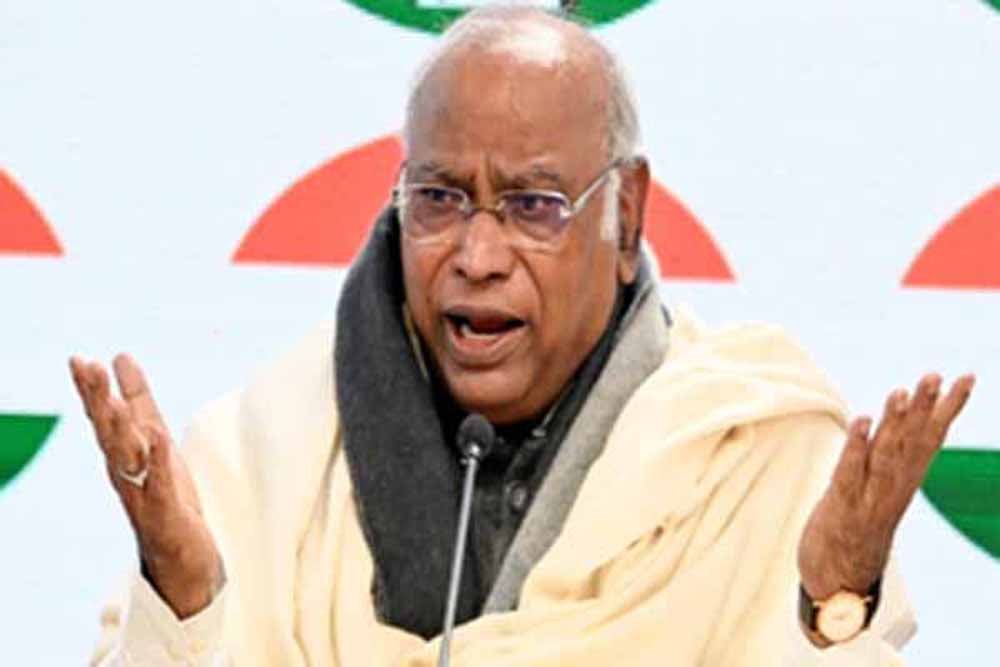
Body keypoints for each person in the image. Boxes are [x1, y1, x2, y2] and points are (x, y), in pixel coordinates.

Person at [71, 7, 975, 666]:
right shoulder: (264, 452)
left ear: (627, 210)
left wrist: (830, 609)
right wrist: (183, 603)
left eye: (533, 205)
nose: (477, 255)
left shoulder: (754, 454)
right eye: (439, 199)